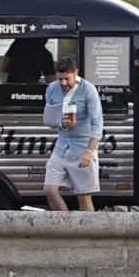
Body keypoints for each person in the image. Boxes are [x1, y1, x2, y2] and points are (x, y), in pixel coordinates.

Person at [43, 56, 104, 212]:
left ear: (75, 73)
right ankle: (65, 230)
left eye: (67, 79)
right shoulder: (51, 88)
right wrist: (61, 123)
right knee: (50, 190)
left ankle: (88, 234)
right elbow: (48, 119)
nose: (63, 83)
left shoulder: (88, 89)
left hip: (82, 147)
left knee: (83, 196)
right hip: (61, 147)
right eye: (60, 79)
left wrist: (89, 152)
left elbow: (97, 123)